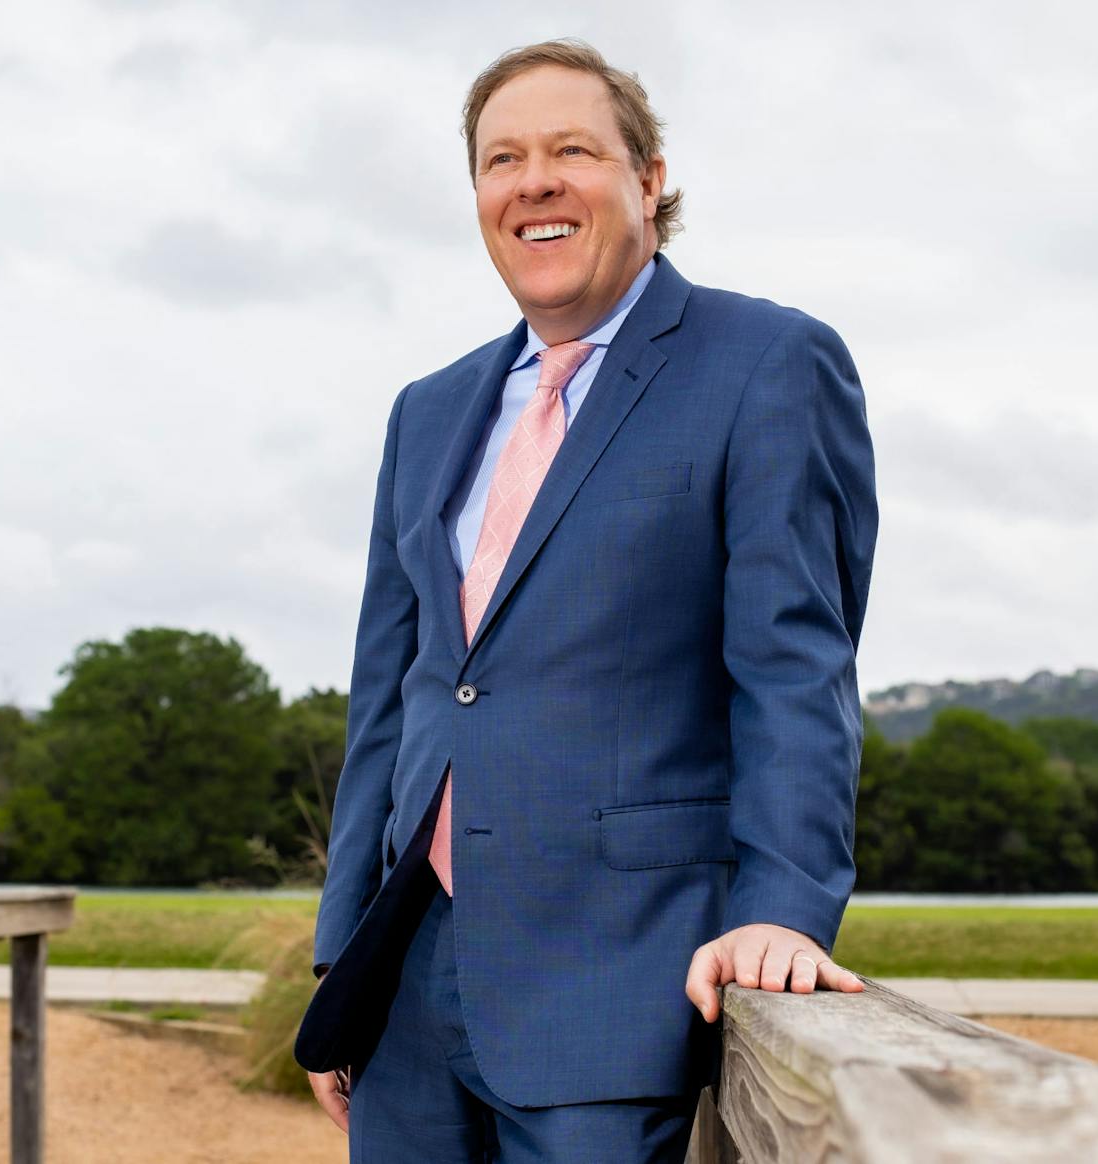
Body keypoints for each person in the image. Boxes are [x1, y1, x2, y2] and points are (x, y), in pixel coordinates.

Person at [293, 37, 878, 1162]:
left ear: (648, 178)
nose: (533, 181)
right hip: (405, 997)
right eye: (501, 159)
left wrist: (785, 909)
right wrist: (340, 961)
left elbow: (795, 672)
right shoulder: (428, 411)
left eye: (572, 149)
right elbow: (393, 699)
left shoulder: (767, 364)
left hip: (620, 988)